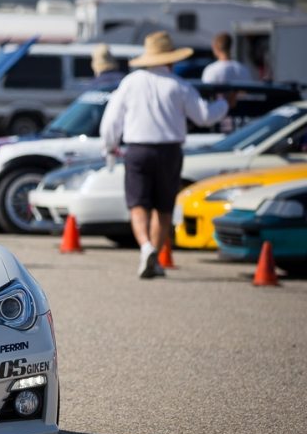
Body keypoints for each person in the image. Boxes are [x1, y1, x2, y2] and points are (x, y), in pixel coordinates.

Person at [100, 31, 234, 279]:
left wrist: (109, 147)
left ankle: (146, 248)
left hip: (138, 149)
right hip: (169, 150)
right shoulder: (179, 85)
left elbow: (111, 122)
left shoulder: (131, 82)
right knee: (163, 207)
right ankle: (155, 253)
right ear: (170, 59)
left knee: (138, 205)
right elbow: (205, 116)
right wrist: (226, 103)